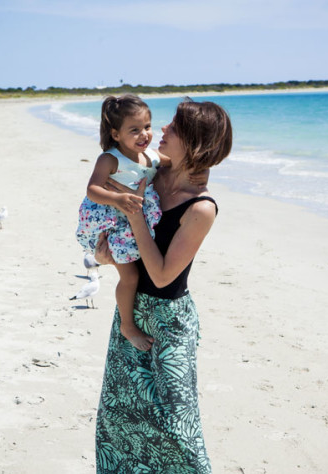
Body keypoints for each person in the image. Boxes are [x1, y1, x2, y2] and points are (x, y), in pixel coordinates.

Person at [94, 98, 232, 473]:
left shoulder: (201, 207)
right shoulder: (155, 173)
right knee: (119, 420)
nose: (163, 131)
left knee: (178, 428)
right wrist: (107, 255)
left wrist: (133, 210)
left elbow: (161, 275)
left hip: (170, 323)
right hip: (132, 314)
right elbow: (114, 218)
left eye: (174, 127)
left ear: (196, 142)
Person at [76, 94, 165, 351]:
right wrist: (116, 198)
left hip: (133, 220)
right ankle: (127, 325)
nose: (144, 135)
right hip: (112, 221)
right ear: (115, 134)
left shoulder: (150, 156)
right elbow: (92, 189)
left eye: (147, 127)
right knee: (131, 276)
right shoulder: (109, 158)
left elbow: (176, 163)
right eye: (134, 130)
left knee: (141, 268)